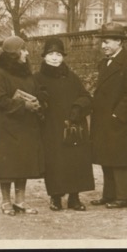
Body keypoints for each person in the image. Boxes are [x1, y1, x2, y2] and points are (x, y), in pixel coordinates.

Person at [34, 38, 94, 212]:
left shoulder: (71, 76)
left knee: (75, 160)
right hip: (51, 127)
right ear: (44, 57)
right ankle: (55, 197)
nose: (55, 58)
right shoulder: (37, 78)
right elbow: (34, 100)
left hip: (73, 126)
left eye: (58, 54)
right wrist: (41, 101)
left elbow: (86, 96)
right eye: (51, 54)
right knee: (54, 162)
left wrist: (78, 107)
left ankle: (74, 198)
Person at [89, 22, 127, 209]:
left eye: (108, 42)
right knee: (106, 156)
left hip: (117, 119)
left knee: (120, 158)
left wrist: (118, 115)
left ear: (119, 42)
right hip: (103, 118)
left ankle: (124, 197)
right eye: (102, 42)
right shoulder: (105, 62)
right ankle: (109, 194)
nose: (103, 46)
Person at [0, 35, 44, 216]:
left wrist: (37, 102)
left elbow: (34, 91)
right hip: (8, 127)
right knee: (7, 166)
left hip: (26, 125)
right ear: (14, 54)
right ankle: (6, 202)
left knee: (23, 163)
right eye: (23, 49)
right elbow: (0, 101)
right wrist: (24, 105)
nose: (27, 53)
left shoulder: (26, 72)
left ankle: (20, 202)